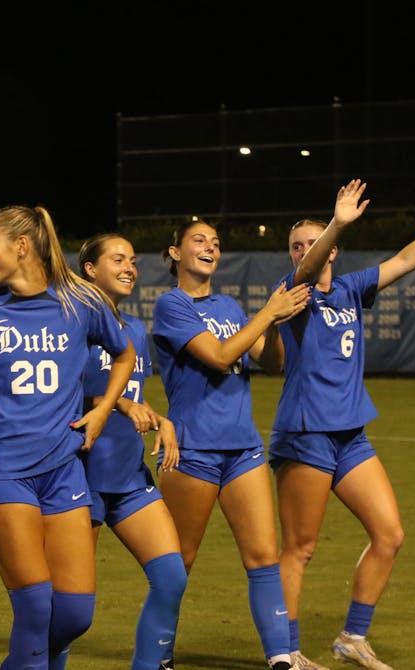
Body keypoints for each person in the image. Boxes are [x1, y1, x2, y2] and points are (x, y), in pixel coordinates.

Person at [270, 175, 415, 670]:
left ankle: (352, 638)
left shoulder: (349, 289)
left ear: (334, 251)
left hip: (350, 434)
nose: (305, 251)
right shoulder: (293, 293)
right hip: (306, 434)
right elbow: (306, 272)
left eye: (312, 243)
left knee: (390, 534)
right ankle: (288, 651)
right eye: (296, 245)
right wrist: (336, 223)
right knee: (299, 548)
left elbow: (406, 259)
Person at [0, 205, 136, 670]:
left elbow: (125, 354)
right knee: (34, 607)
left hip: (63, 469)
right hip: (2, 471)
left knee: (73, 613)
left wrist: (103, 411)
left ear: (22, 246)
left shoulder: (80, 302)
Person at [152, 219, 310, 670]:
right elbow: (221, 358)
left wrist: (274, 323)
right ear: (176, 252)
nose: (210, 247)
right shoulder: (171, 306)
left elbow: (273, 362)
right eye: (198, 240)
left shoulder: (230, 305)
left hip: (243, 448)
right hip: (192, 450)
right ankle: (159, 654)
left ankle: (280, 657)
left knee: (262, 556)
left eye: (216, 243)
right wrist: (268, 313)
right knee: (178, 562)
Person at [77, 233, 186, 670]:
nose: (129, 268)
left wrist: (161, 419)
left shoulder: (135, 330)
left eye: (133, 261)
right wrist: (118, 403)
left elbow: (132, 394)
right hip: (81, 476)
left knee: (171, 579)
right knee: (71, 602)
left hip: (128, 474)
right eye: (117, 259)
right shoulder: (71, 325)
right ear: (90, 269)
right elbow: (63, 393)